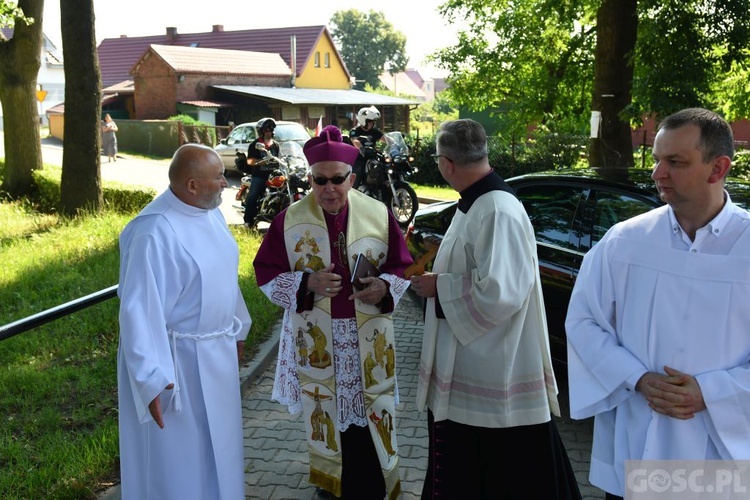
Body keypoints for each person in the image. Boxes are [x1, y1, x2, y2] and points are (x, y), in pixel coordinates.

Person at [565, 107, 750, 499]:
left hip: (721, 455)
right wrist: (638, 378)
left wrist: (712, 392)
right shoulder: (625, 241)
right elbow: (583, 321)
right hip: (639, 440)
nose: (657, 174)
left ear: (718, 169)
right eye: (656, 160)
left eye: (675, 162)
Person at [410, 119, 581, 499]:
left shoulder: (496, 210)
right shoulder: (478, 202)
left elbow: (502, 293)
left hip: (491, 372)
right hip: (476, 362)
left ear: (447, 163)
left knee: (497, 471)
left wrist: (440, 285)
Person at [253, 125, 413, 499]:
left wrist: (385, 286)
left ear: (351, 177)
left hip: (367, 334)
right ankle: (332, 484)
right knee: (328, 411)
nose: (328, 189)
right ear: (310, 178)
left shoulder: (378, 213)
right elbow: (266, 273)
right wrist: (305, 284)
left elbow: (400, 266)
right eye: (319, 180)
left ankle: (373, 482)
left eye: (337, 180)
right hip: (319, 337)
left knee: (368, 412)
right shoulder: (288, 220)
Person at [117, 143, 252, 500]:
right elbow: (139, 311)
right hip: (177, 364)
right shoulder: (153, 231)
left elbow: (224, 275)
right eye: (219, 177)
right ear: (192, 185)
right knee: (180, 463)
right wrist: (150, 380)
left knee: (219, 451)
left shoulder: (210, 212)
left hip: (215, 354)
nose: (226, 183)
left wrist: (238, 328)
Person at [243, 117, 280, 228]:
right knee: (253, 196)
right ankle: (248, 222)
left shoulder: (276, 145)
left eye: (271, 129)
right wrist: (261, 162)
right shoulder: (255, 145)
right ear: (262, 131)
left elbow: (280, 158)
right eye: (267, 130)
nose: (269, 132)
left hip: (273, 175)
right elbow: (249, 161)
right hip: (259, 176)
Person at [349, 106, 386, 189]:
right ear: (363, 120)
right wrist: (362, 149)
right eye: (370, 121)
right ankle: (353, 192)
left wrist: (396, 141)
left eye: (373, 122)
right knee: (357, 172)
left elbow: (385, 138)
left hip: (372, 157)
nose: (372, 123)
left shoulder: (375, 131)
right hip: (359, 158)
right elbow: (355, 141)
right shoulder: (355, 131)